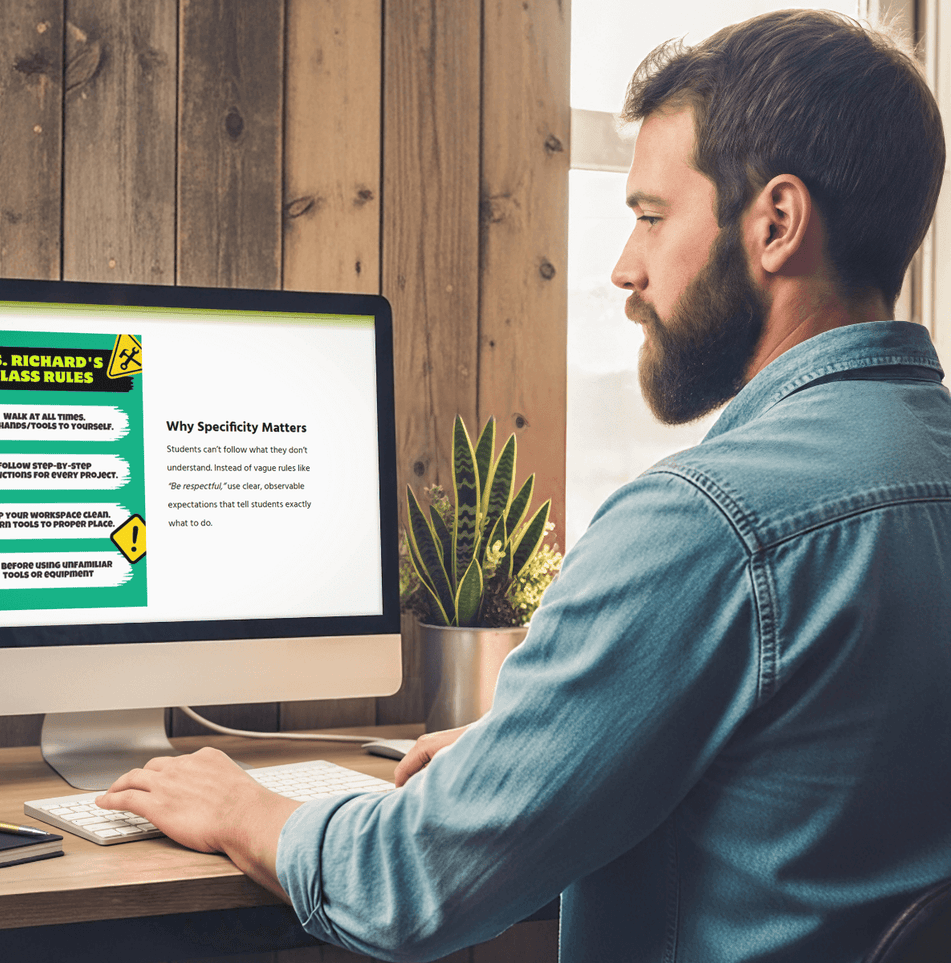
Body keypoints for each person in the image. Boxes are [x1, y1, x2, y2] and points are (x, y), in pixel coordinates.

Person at [98, 10, 951, 961]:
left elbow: (410, 884)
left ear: (776, 224)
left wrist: (244, 807)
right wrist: (530, 753)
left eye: (650, 217)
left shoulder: (707, 523)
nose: (624, 268)